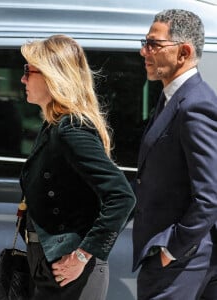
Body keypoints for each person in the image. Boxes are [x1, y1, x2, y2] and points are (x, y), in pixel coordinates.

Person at [19, 34, 136, 300]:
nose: (23, 79)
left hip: (70, 275)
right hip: (49, 267)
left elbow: (122, 196)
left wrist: (83, 255)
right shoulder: (53, 125)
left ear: (53, 76)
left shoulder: (71, 129)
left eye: (29, 70)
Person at [133, 9, 217, 299]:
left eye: (154, 44)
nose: (145, 51)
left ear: (183, 52)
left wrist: (171, 250)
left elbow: (209, 196)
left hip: (182, 262)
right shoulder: (171, 97)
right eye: (145, 42)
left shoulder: (194, 105)